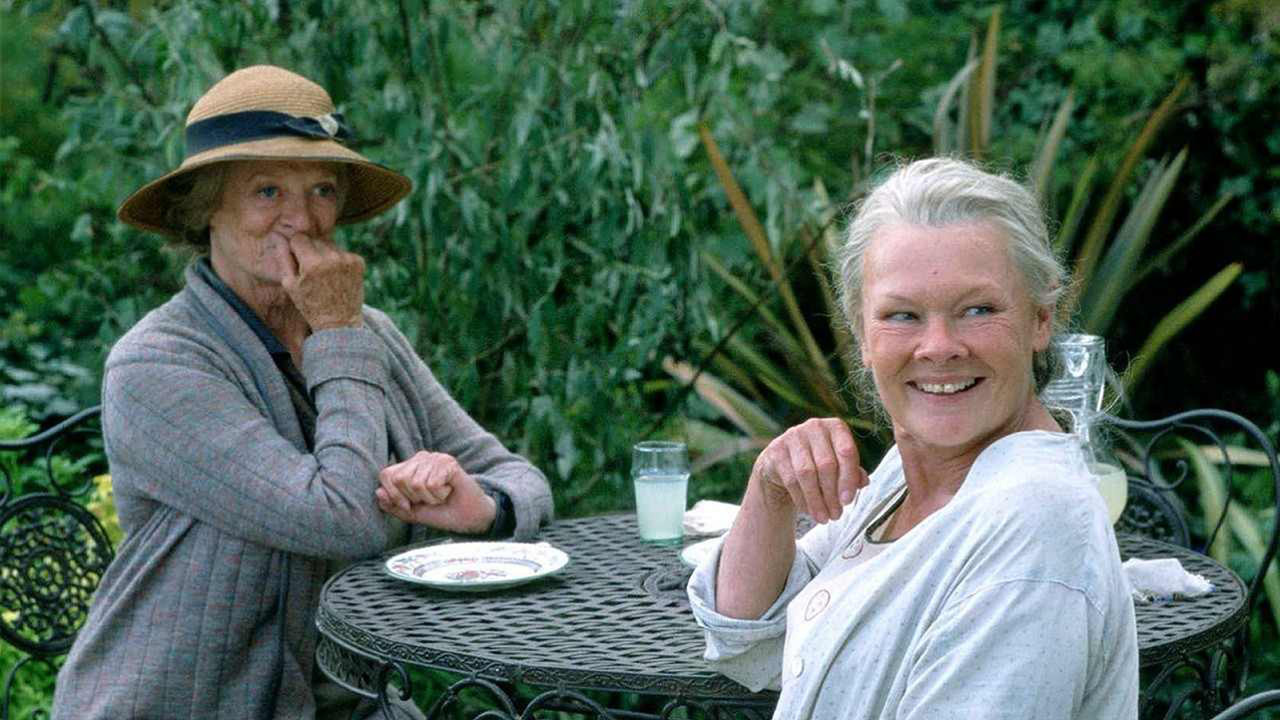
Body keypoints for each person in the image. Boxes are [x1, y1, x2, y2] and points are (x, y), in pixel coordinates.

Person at [52, 65, 553, 719]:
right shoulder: (154, 366)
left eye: (321, 189)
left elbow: (523, 479)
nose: (301, 219)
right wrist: (337, 330)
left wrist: (481, 508)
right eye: (266, 191)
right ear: (206, 209)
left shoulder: (372, 334)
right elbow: (342, 519)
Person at [687, 158, 1138, 719]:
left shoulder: (1031, 521)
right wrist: (770, 488)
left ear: (1041, 320)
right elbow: (747, 641)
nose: (939, 346)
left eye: (977, 310)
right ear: (861, 333)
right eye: (902, 316)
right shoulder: (912, 474)